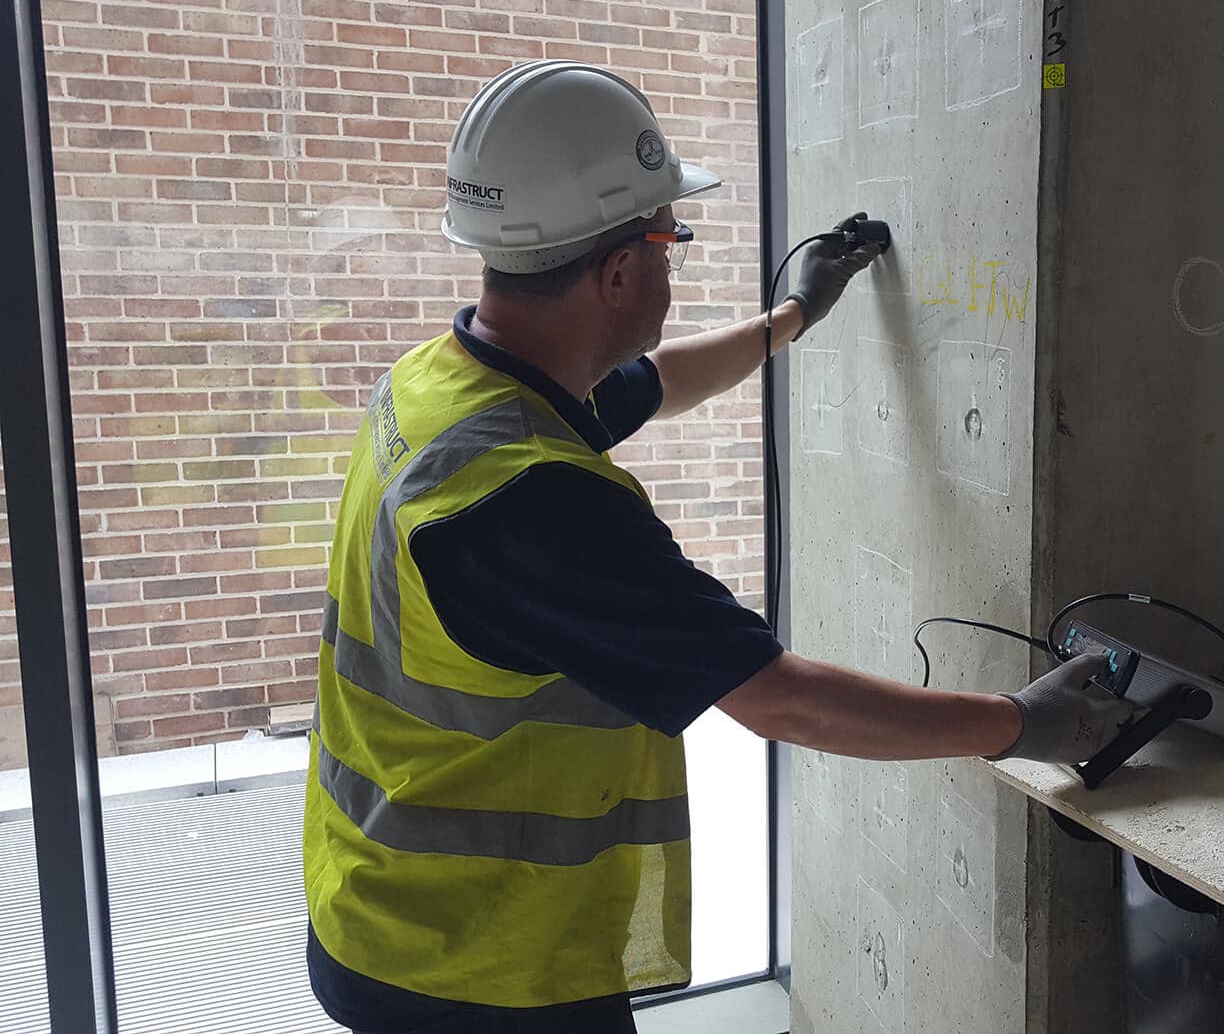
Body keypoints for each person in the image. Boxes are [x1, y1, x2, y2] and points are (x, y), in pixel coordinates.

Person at [301, 59, 1135, 1034]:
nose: (674, 261)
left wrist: (794, 317)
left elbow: (651, 383)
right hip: (476, 967)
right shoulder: (533, 502)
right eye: (671, 240)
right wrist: (1020, 723)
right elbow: (777, 697)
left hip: (382, 896)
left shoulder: (443, 383)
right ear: (619, 271)